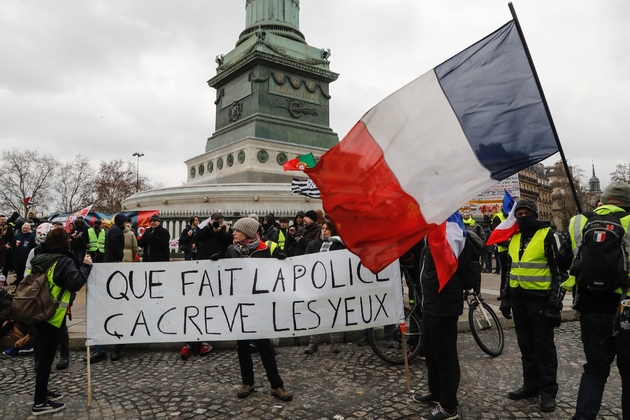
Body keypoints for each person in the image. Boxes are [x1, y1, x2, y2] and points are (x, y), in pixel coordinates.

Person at [565, 181, 630, 420]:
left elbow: (569, 262)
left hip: (590, 306)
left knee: (594, 369)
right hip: (626, 307)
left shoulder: (579, 221)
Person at [499, 199, 563, 412]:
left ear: (535, 214)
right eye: (520, 213)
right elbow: (509, 270)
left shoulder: (548, 236)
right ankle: (530, 385)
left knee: (543, 347)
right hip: (519, 300)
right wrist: (505, 298)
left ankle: (548, 391)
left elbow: (559, 273)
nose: (523, 216)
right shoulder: (514, 238)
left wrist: (555, 304)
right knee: (526, 346)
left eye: (527, 213)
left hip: (540, 301)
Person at [223, 217, 292, 402]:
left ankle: (276, 385)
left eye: (237, 230)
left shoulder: (263, 251)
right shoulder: (231, 250)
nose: (234, 233)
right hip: (239, 305)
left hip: (259, 305)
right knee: (243, 347)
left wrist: (281, 263)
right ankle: (248, 382)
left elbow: (272, 276)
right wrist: (214, 263)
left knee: (264, 346)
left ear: (248, 233)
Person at [412, 222, 473, 420]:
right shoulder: (433, 233)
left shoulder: (450, 232)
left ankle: (448, 406)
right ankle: (436, 392)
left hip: (443, 304)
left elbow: (449, 264)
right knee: (431, 351)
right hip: (430, 303)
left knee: (445, 355)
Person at [28, 227, 92, 415]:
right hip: (53, 314)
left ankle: (43, 392)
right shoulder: (63, 260)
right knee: (46, 359)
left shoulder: (40, 256)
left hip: (38, 310)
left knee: (43, 358)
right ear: (65, 242)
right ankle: (39, 403)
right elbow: (74, 282)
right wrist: (86, 266)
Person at [304, 220, 346, 354]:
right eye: (323, 228)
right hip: (317, 285)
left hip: (333, 285)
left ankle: (335, 342)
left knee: (334, 312)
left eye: (327, 229)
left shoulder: (339, 246)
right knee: (316, 312)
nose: (324, 231)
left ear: (332, 231)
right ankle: (313, 342)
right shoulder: (313, 245)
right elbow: (305, 262)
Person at [492, 206, 510, 293]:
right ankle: (503, 292)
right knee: (505, 273)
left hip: (514, 250)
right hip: (504, 250)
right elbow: (496, 236)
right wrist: (509, 244)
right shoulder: (498, 217)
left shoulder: (514, 216)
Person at [12, 221, 36, 286]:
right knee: (18, 275)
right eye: (24, 228)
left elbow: (34, 247)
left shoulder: (32, 236)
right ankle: (18, 287)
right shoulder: (17, 236)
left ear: (29, 229)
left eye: (26, 228)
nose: (25, 229)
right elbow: (13, 246)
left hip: (27, 260)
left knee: (25, 275)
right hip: (18, 259)